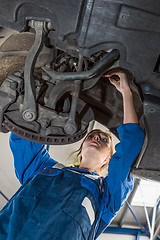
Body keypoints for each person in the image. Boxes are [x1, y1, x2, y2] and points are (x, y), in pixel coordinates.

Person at [0, 71, 145, 240]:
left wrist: (126, 92)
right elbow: (27, 133)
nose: (96, 137)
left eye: (104, 140)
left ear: (108, 159)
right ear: (81, 149)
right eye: (91, 136)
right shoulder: (43, 168)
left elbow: (131, 143)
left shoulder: (107, 196)